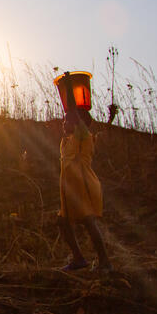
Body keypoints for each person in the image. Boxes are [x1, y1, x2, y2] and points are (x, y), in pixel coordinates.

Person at [57, 103, 117, 272]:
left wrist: (69, 85)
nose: (63, 123)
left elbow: (78, 120)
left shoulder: (82, 136)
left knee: (88, 221)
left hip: (84, 184)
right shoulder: (68, 140)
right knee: (63, 221)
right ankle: (78, 258)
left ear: (77, 123)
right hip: (71, 187)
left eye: (67, 120)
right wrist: (110, 119)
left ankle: (105, 262)